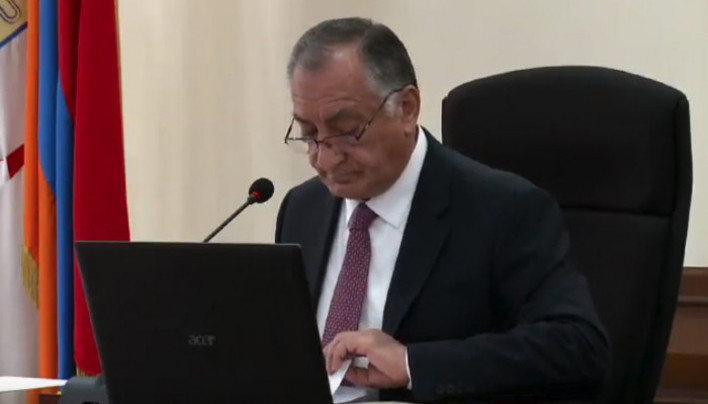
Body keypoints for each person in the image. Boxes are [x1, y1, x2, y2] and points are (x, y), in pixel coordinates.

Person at [275, 17, 610, 403]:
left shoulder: (503, 209)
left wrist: (414, 364)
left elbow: (577, 347)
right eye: (309, 134)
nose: (324, 158)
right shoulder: (302, 208)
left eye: (348, 130)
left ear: (406, 108)